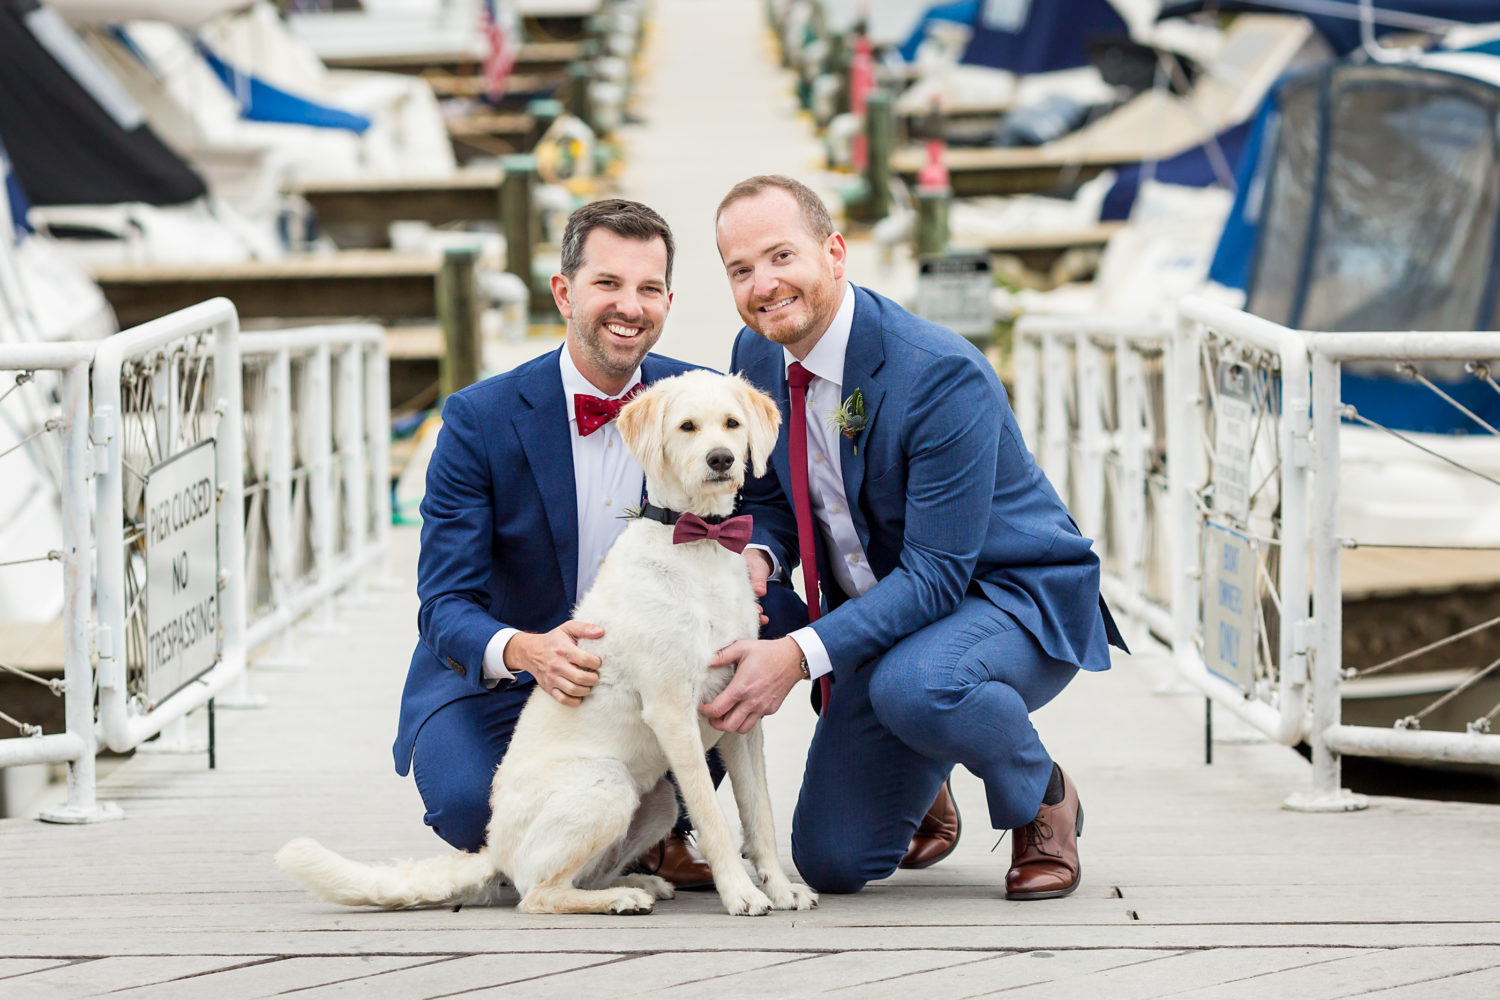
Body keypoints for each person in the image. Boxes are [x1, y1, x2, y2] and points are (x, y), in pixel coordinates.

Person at [703, 175, 1127, 899]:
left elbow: (935, 576)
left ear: (834, 251)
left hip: (1008, 595)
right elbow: (768, 493)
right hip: (889, 619)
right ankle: (926, 757)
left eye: (781, 257)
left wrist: (797, 657)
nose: (763, 285)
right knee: (833, 862)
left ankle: (1041, 795)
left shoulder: (938, 375)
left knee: (920, 687)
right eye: (741, 270)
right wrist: (758, 553)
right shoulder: (757, 353)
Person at [392, 198, 718, 887]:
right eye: (608, 284)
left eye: (649, 288)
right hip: (505, 675)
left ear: (667, 300)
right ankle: (602, 845)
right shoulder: (479, 418)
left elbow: (767, 513)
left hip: (644, 680)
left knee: (698, 754)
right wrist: (523, 649)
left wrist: (757, 565)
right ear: (564, 292)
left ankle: (646, 838)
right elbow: (444, 600)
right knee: (467, 807)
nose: (629, 306)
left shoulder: (699, 400)